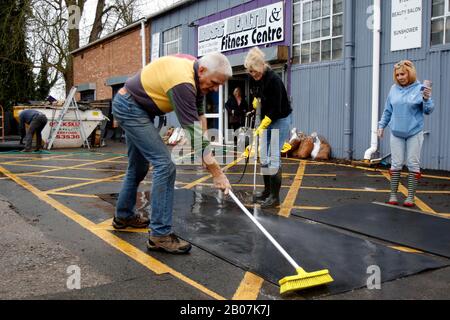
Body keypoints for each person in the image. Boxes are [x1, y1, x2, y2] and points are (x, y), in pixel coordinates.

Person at [111, 52, 232, 254]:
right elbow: (192, 131)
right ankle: (160, 235)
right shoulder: (183, 82)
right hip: (130, 107)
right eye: (214, 83)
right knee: (165, 166)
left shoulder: (197, 75)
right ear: (202, 70)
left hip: (138, 107)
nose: (215, 88)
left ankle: (124, 215)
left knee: (138, 167)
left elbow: (200, 116)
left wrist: (205, 152)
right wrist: (217, 172)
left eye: (219, 85)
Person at [378, 59, 434, 207]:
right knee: (395, 164)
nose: (400, 77)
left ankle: (410, 197)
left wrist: (427, 99)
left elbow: (428, 110)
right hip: (396, 132)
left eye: (403, 74)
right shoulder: (393, 89)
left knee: (413, 163)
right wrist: (381, 126)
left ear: (410, 73)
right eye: (397, 75)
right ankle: (393, 195)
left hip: (414, 132)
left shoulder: (420, 88)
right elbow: (387, 110)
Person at [244, 47, 292, 208]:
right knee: (263, 156)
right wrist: (256, 100)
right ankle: (266, 191)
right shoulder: (252, 78)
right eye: (251, 72)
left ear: (262, 66)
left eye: (256, 71)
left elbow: (277, 108)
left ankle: (275, 197)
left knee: (273, 157)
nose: (254, 75)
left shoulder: (274, 80)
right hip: (266, 119)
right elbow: (256, 94)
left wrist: (264, 123)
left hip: (279, 119)